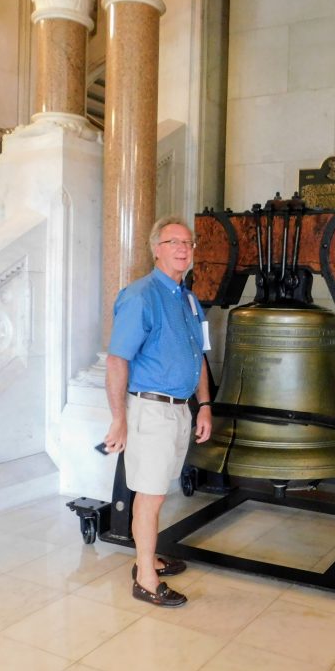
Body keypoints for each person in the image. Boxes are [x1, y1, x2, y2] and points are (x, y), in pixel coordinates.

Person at [103, 217, 213, 607]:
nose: (183, 249)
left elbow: (198, 355)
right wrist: (118, 418)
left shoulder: (188, 299)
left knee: (158, 492)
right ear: (156, 249)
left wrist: (204, 406)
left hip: (181, 411)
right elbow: (118, 361)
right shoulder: (140, 296)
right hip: (150, 411)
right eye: (173, 242)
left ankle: (148, 557)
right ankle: (145, 578)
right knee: (148, 496)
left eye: (189, 243)